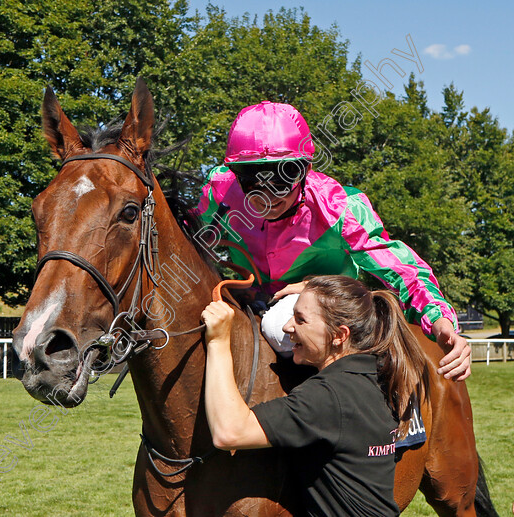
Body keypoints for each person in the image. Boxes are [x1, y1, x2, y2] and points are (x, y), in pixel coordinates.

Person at [192, 101, 471, 381]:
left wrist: (439, 319)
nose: (267, 195)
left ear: (305, 169)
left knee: (280, 327)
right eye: (251, 179)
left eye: (282, 178)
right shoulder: (219, 192)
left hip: (327, 309)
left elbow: (400, 268)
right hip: (248, 300)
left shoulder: (341, 206)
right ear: (235, 174)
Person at [202, 275, 429, 516]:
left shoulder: (329, 395)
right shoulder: (377, 375)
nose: (287, 326)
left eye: (301, 320)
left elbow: (230, 432)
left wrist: (218, 340)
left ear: (339, 335)